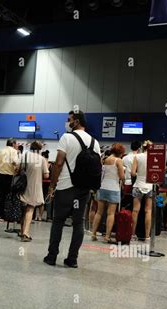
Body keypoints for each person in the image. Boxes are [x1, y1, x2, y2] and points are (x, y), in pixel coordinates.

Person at [44, 110, 101, 268]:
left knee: (58, 221)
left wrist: (51, 185)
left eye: (69, 120)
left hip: (65, 188)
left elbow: (59, 163)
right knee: (78, 223)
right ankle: (72, 259)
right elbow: (98, 167)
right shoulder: (94, 142)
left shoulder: (66, 137)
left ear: (76, 121)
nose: (67, 122)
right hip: (83, 191)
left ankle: (52, 256)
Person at [90, 143, 125, 243]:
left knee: (99, 212)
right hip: (113, 188)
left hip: (102, 187)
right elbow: (122, 176)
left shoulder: (104, 159)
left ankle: (93, 233)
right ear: (120, 152)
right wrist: (123, 180)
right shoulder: (118, 161)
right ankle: (107, 236)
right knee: (111, 214)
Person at [19, 141, 50, 242]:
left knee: (24, 209)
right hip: (35, 185)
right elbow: (46, 175)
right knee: (30, 208)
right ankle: (26, 233)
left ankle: (21, 230)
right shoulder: (42, 159)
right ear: (40, 149)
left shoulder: (25, 156)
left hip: (23, 185)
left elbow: (20, 169)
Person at [131, 140, 154, 241]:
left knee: (135, 211)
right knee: (148, 211)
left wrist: (139, 175)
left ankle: (132, 234)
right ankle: (147, 236)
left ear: (143, 147)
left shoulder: (138, 156)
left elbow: (132, 173)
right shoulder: (154, 158)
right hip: (150, 186)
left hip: (138, 185)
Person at [0, 139, 20, 221]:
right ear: (13, 144)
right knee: (10, 196)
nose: (17, 145)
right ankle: (9, 215)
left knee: (2, 195)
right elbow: (15, 162)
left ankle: (1, 215)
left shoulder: (1, 151)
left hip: (0, 175)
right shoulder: (14, 151)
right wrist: (18, 170)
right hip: (9, 176)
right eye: (16, 143)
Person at [35, 150, 50, 221]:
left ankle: (37, 216)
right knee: (42, 200)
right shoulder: (49, 163)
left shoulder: (42, 162)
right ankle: (40, 216)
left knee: (38, 200)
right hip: (46, 184)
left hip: (40, 183)